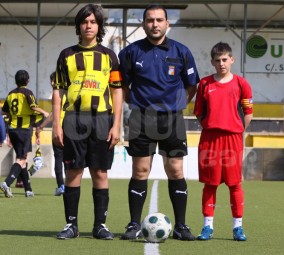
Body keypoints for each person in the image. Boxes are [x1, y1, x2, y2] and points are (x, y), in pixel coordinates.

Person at [118, 4, 199, 241]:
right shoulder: (131, 52)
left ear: (167, 23)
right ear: (143, 24)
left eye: (159, 20)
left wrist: (178, 103)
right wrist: (134, 100)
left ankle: (181, 226)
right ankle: (133, 224)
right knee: (140, 171)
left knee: (175, 170)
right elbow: (121, 84)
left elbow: (192, 83)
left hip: (172, 119)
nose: (155, 24)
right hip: (141, 118)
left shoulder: (182, 51)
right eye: (150, 20)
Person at [52, 4, 123, 240]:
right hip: (73, 119)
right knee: (73, 171)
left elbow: (117, 91)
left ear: (99, 26)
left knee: (100, 172)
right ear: (78, 26)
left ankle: (99, 226)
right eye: (85, 22)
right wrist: (56, 124)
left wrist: (117, 125)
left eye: (93, 22)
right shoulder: (66, 55)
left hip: (102, 119)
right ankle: (71, 225)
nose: (88, 26)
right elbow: (59, 91)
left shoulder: (109, 56)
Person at [193, 42, 253, 241]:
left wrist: (236, 129)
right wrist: (213, 126)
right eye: (217, 60)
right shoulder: (205, 84)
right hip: (210, 139)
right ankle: (207, 227)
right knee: (210, 184)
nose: (221, 63)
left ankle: (238, 228)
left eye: (225, 59)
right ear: (212, 62)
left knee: (234, 184)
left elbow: (248, 112)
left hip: (233, 139)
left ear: (232, 60)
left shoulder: (241, 83)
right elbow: (199, 113)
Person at [1, 70, 49, 198]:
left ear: (16, 80)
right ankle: (7, 183)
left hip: (12, 129)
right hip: (24, 129)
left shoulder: (10, 94)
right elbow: (33, 106)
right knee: (21, 159)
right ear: (27, 80)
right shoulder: (28, 93)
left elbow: (4, 112)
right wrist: (44, 112)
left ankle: (28, 190)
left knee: (23, 158)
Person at [36, 72, 65, 196]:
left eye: (54, 81)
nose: (52, 83)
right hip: (72, 131)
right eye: (51, 81)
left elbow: (54, 114)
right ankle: (67, 186)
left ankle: (62, 186)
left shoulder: (58, 94)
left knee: (59, 159)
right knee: (67, 160)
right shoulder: (70, 92)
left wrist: (41, 126)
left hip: (61, 130)